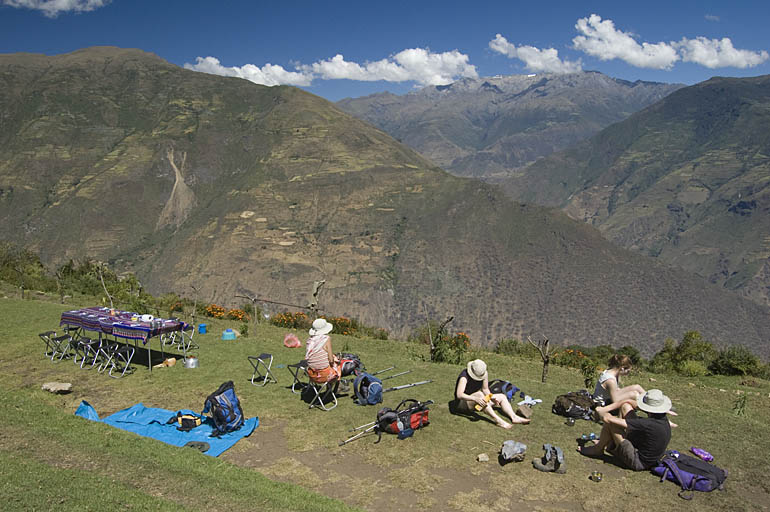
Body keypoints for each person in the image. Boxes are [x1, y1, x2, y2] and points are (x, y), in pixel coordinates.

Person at [578, 389, 672, 471]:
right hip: (643, 448)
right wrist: (606, 409)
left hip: (638, 461)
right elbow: (627, 402)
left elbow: (608, 419)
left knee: (612, 423)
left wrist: (599, 410)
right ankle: (610, 442)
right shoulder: (661, 419)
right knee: (625, 407)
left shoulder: (649, 424)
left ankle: (598, 449)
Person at [455, 359, 530, 429]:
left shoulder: (483, 374)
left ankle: (514, 417)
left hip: (477, 401)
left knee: (502, 396)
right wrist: (475, 399)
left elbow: (485, 389)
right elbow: (459, 394)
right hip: (462, 404)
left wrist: (492, 397)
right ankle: (498, 421)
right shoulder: (464, 377)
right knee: (480, 395)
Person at [305, 318, 340, 383]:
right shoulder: (326, 339)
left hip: (312, 375)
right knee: (337, 366)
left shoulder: (310, 340)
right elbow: (331, 359)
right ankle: (336, 386)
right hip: (325, 376)